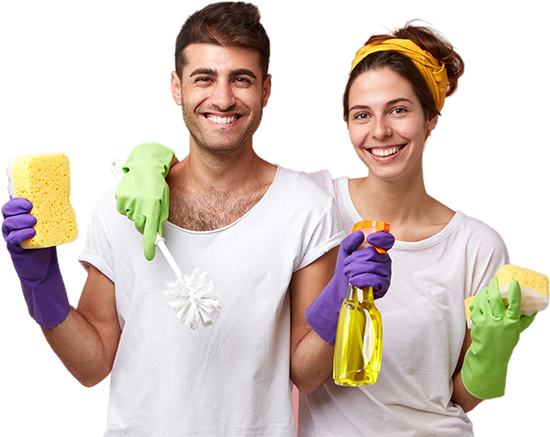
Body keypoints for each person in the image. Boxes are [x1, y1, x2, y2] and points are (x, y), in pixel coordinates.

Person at [117, 18, 539, 436]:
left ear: (431, 118)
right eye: (361, 115)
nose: (380, 131)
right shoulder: (315, 202)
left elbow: (460, 398)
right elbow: (228, 172)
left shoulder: (477, 246)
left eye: (399, 110)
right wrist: (151, 157)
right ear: (347, 124)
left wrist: (493, 356)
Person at [1, 2, 393, 436]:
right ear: (176, 86)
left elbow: (307, 375)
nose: (222, 98)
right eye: (204, 78)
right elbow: (91, 367)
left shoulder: (306, 209)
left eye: (241, 80)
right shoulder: (121, 207)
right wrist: (42, 285)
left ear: (265, 90)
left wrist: (340, 298)